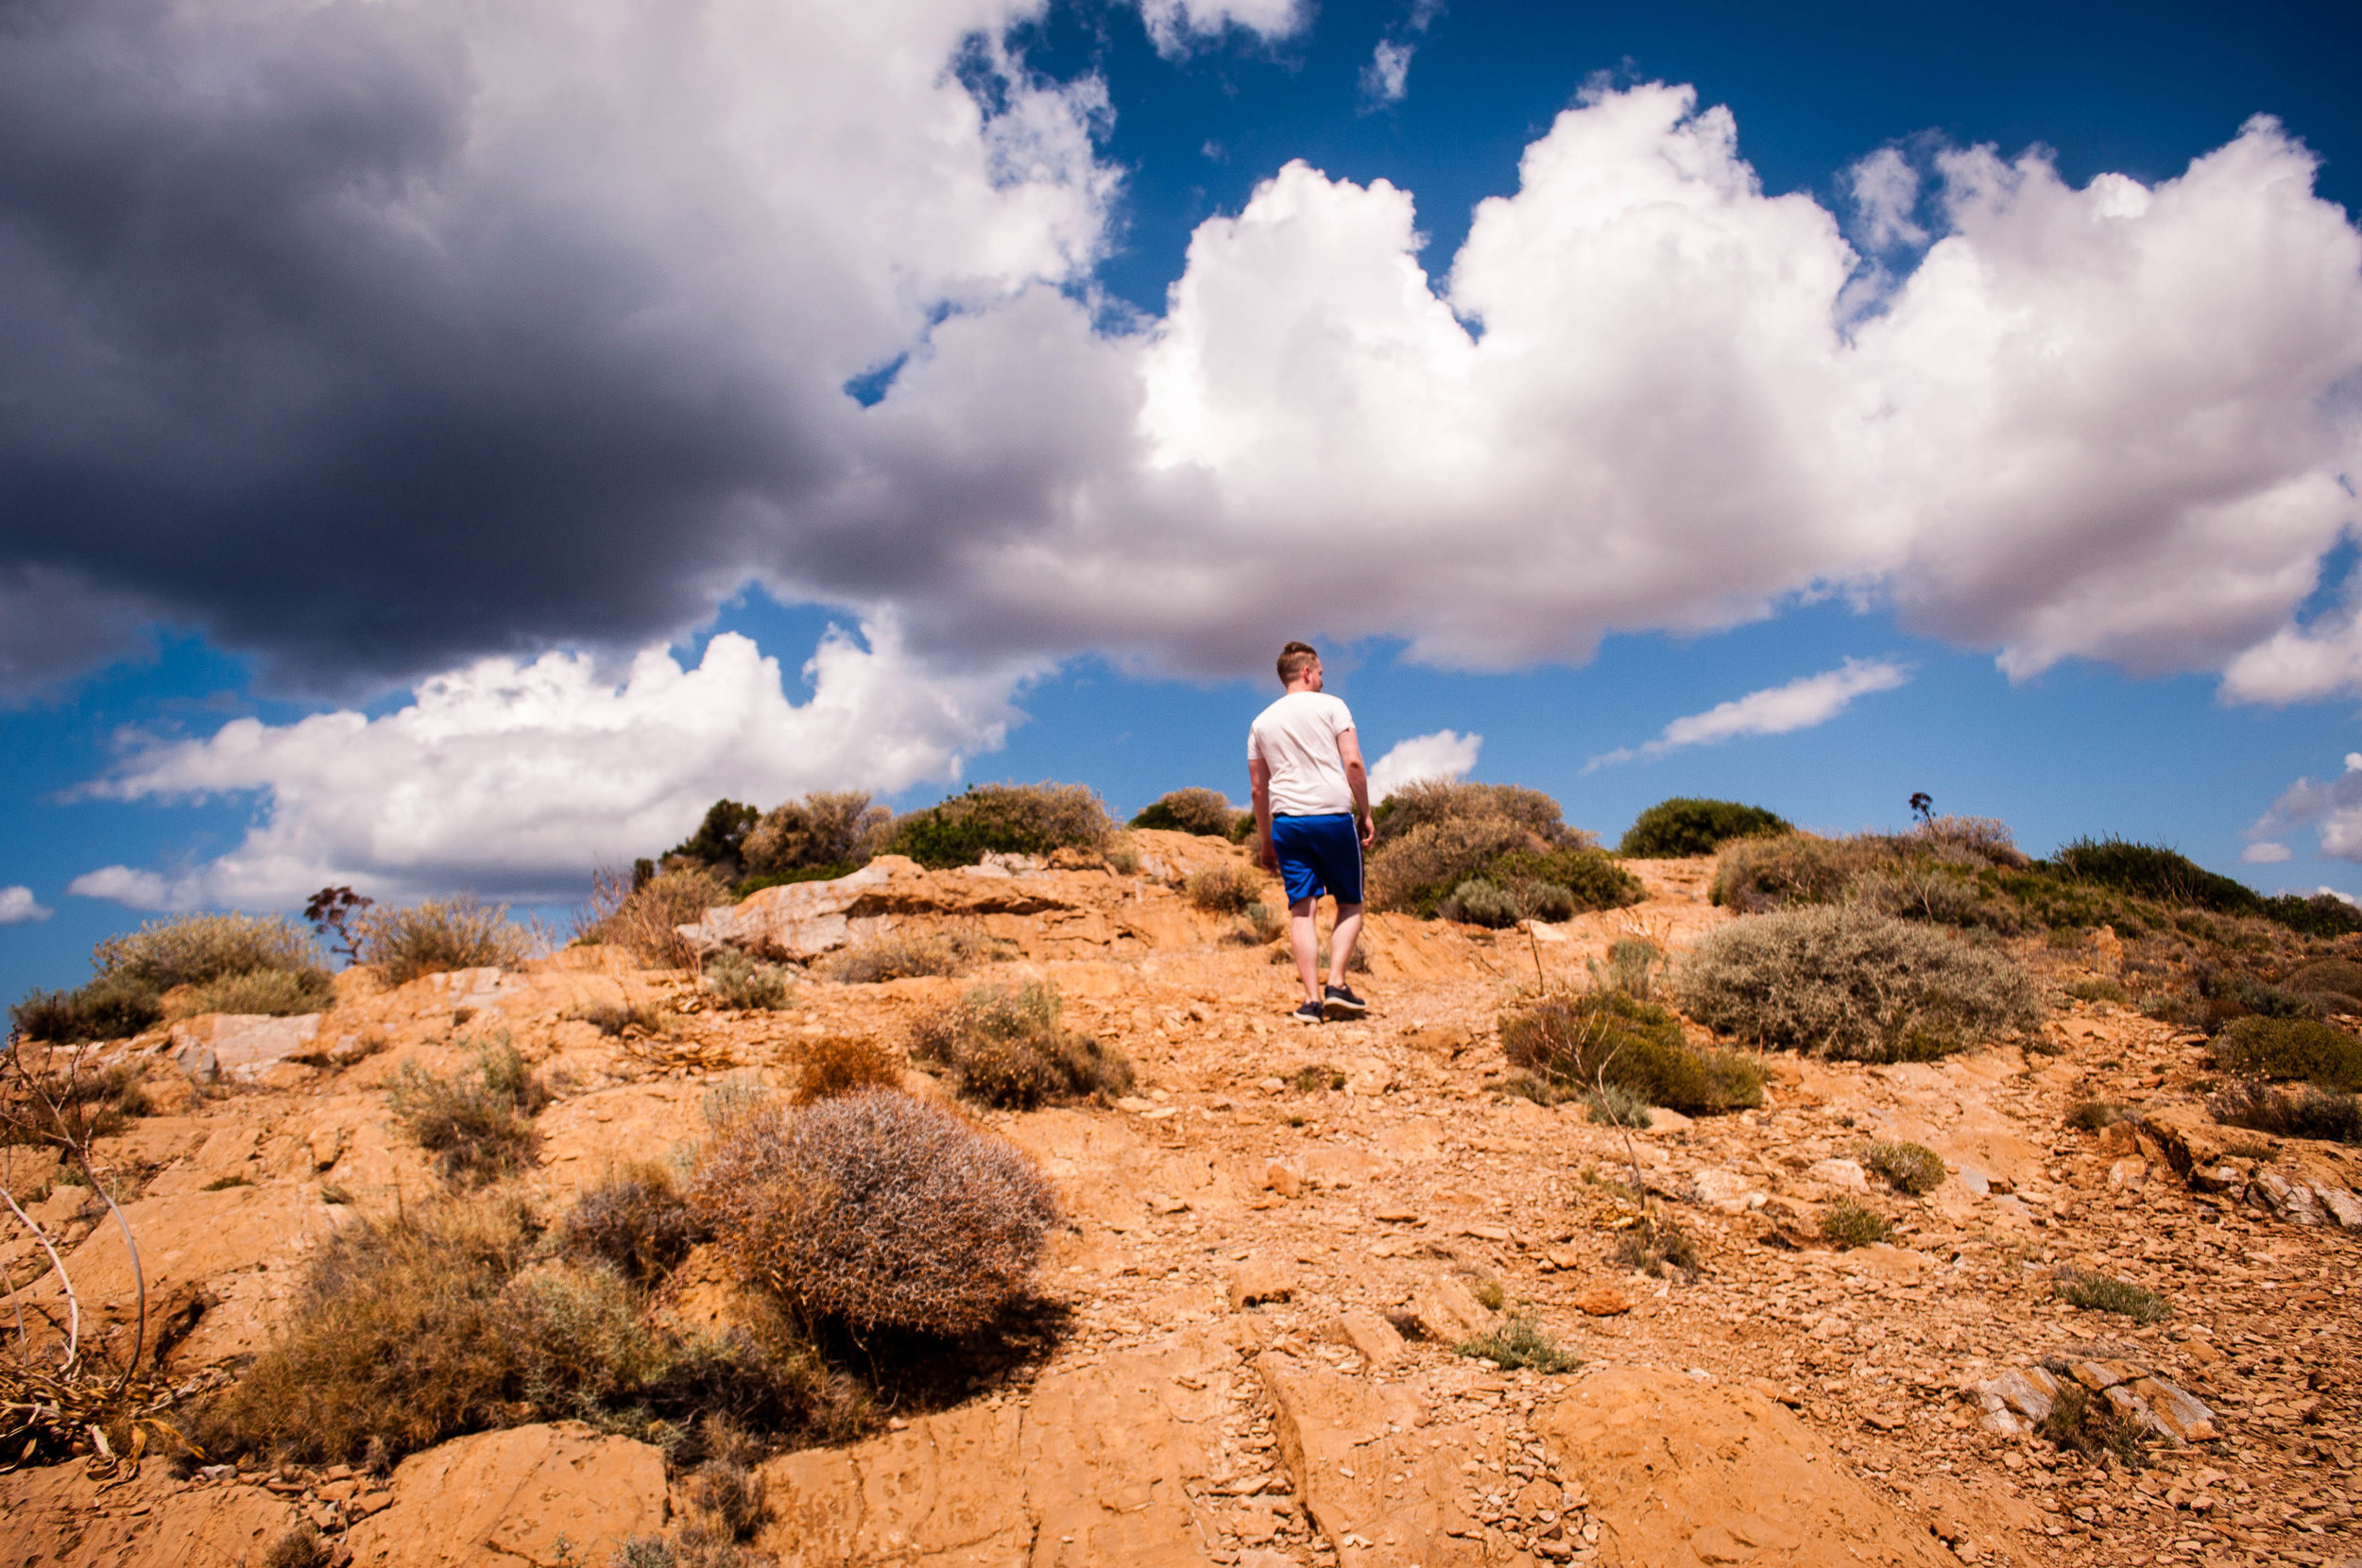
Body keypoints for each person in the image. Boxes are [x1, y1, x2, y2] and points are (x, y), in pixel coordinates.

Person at [1247, 640, 1373, 1024]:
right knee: (1350, 900)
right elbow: (1352, 761)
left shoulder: (1261, 722)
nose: (1322, 679)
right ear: (1306, 672)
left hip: (1287, 822)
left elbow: (1257, 788)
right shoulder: (1333, 706)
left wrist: (1267, 841)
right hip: (1331, 816)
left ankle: (1310, 1001)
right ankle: (1336, 984)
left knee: (1302, 909)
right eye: (1319, 673)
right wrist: (1365, 812)